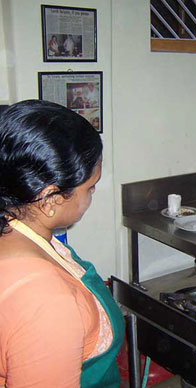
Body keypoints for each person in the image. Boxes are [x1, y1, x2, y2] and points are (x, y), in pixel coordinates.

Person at [0, 100, 124, 387]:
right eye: (90, 187)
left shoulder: (14, 227)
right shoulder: (46, 301)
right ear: (52, 198)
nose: (93, 194)